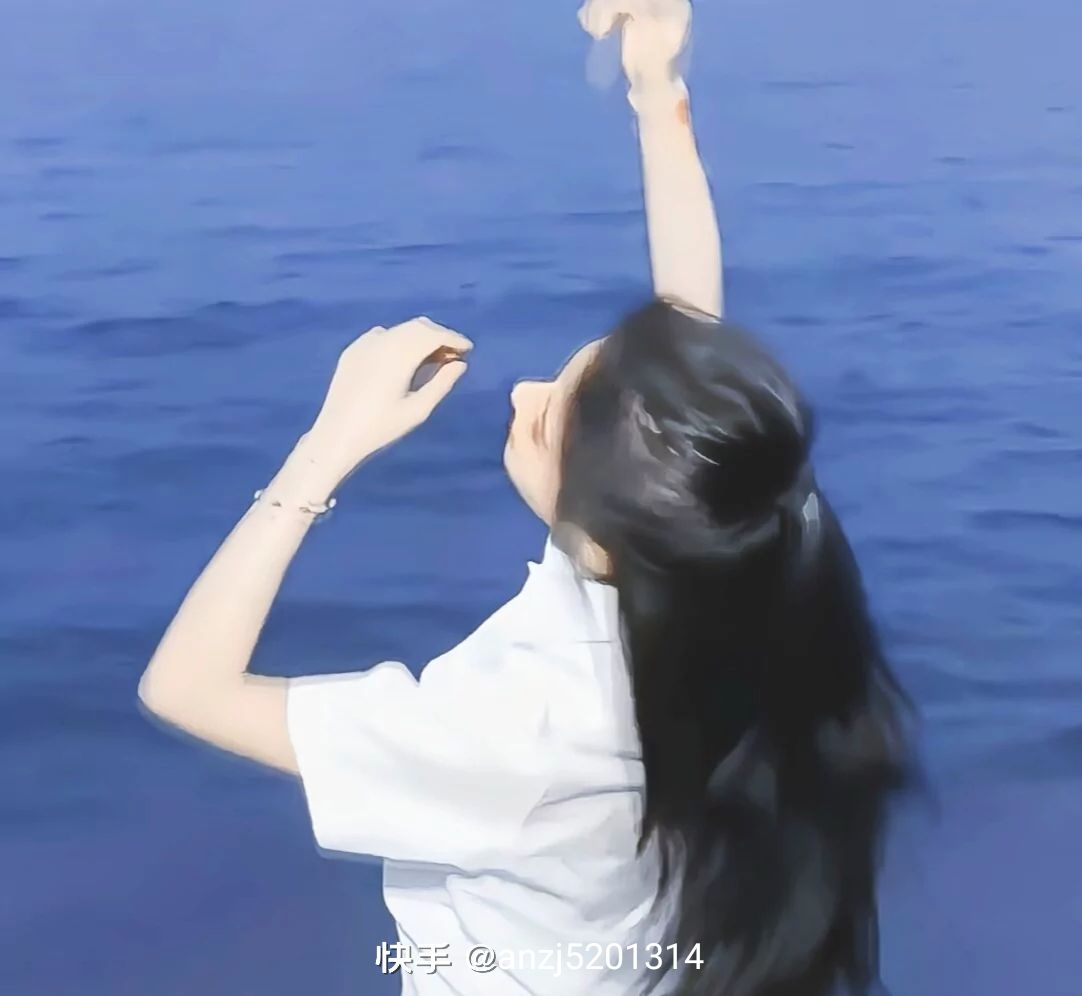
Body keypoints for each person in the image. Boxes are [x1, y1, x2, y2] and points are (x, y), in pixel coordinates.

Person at [138, 1, 912, 994]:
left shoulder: (520, 729)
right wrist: (656, 90)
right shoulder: (733, 559)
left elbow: (185, 688)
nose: (520, 395)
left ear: (607, 532)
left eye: (548, 418)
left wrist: (325, 447)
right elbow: (684, 331)